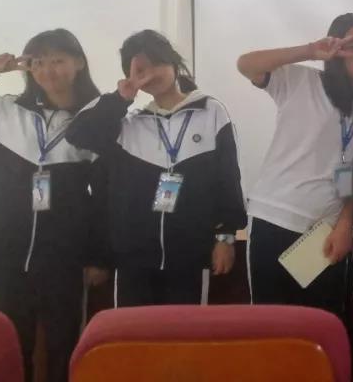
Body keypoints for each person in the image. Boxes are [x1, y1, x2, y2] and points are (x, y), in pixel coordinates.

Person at [0, 29, 106, 382]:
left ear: (78, 63)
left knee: (64, 345)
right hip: (8, 255)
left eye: (58, 60)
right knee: (9, 346)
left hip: (66, 259)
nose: (48, 70)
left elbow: (104, 197)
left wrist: (99, 256)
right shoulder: (0, 114)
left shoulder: (94, 123)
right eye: (38, 62)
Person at [66, 30, 245, 307]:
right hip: (133, 259)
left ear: (173, 63)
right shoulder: (129, 123)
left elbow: (228, 179)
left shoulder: (211, 112)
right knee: (133, 330)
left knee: (184, 330)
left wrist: (226, 236)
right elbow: (78, 134)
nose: (150, 74)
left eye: (157, 63)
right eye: (140, 69)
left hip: (190, 254)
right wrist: (121, 97)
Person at [236, 13, 353, 320]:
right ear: (337, 49)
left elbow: (349, 172)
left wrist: (345, 222)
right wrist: (310, 50)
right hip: (275, 219)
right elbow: (246, 64)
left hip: (325, 232)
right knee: (272, 327)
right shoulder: (302, 81)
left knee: (322, 326)